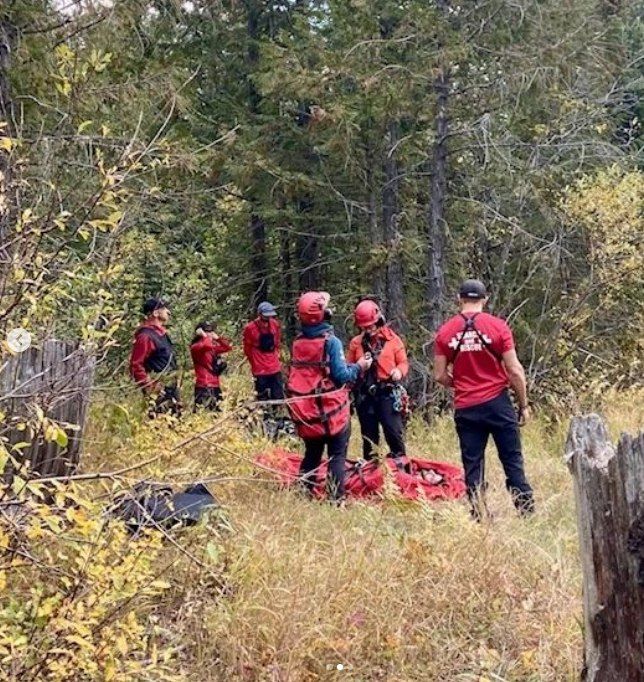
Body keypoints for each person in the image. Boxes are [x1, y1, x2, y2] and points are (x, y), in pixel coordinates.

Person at [433, 279, 534, 518]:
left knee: (473, 463)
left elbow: (438, 375)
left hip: (466, 407)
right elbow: (515, 371)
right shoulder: (498, 327)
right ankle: (527, 512)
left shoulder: (445, 332)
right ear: (484, 300)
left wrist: (461, 385)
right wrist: (524, 405)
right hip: (498, 403)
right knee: (512, 460)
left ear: (459, 299)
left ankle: (479, 513)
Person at [286, 291, 372, 502]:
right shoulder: (330, 342)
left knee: (312, 453)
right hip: (331, 411)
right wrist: (360, 366)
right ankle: (336, 499)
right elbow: (341, 375)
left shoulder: (297, 342)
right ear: (322, 314)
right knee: (337, 455)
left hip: (308, 412)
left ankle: (304, 494)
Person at [347, 298, 409, 465]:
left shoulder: (393, 340)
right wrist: (360, 368)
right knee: (369, 439)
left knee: (393, 433)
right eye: (365, 327)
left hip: (387, 393)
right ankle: (370, 474)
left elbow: (403, 362)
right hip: (365, 396)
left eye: (371, 325)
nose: (369, 329)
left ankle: (401, 469)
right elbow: (349, 369)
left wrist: (398, 371)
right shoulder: (356, 343)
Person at [129, 298, 181, 417]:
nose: (168, 312)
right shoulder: (145, 336)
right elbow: (136, 365)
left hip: (171, 388)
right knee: (159, 423)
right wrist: (149, 386)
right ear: (155, 313)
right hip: (158, 390)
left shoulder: (162, 334)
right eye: (164, 309)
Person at [242, 301, 284, 403]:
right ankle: (264, 415)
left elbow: (277, 341)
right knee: (262, 395)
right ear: (259, 314)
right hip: (259, 365)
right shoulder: (250, 328)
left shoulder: (275, 324)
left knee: (278, 394)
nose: (268, 318)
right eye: (266, 316)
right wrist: (254, 363)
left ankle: (277, 415)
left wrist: (277, 355)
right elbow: (247, 348)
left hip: (274, 364)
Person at [190, 321, 233, 411]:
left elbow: (227, 347)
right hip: (204, 385)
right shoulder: (196, 347)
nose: (209, 334)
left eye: (211, 331)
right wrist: (204, 336)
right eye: (206, 331)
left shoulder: (211, 347)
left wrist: (217, 338)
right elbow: (206, 345)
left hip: (215, 384)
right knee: (203, 414)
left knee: (217, 413)